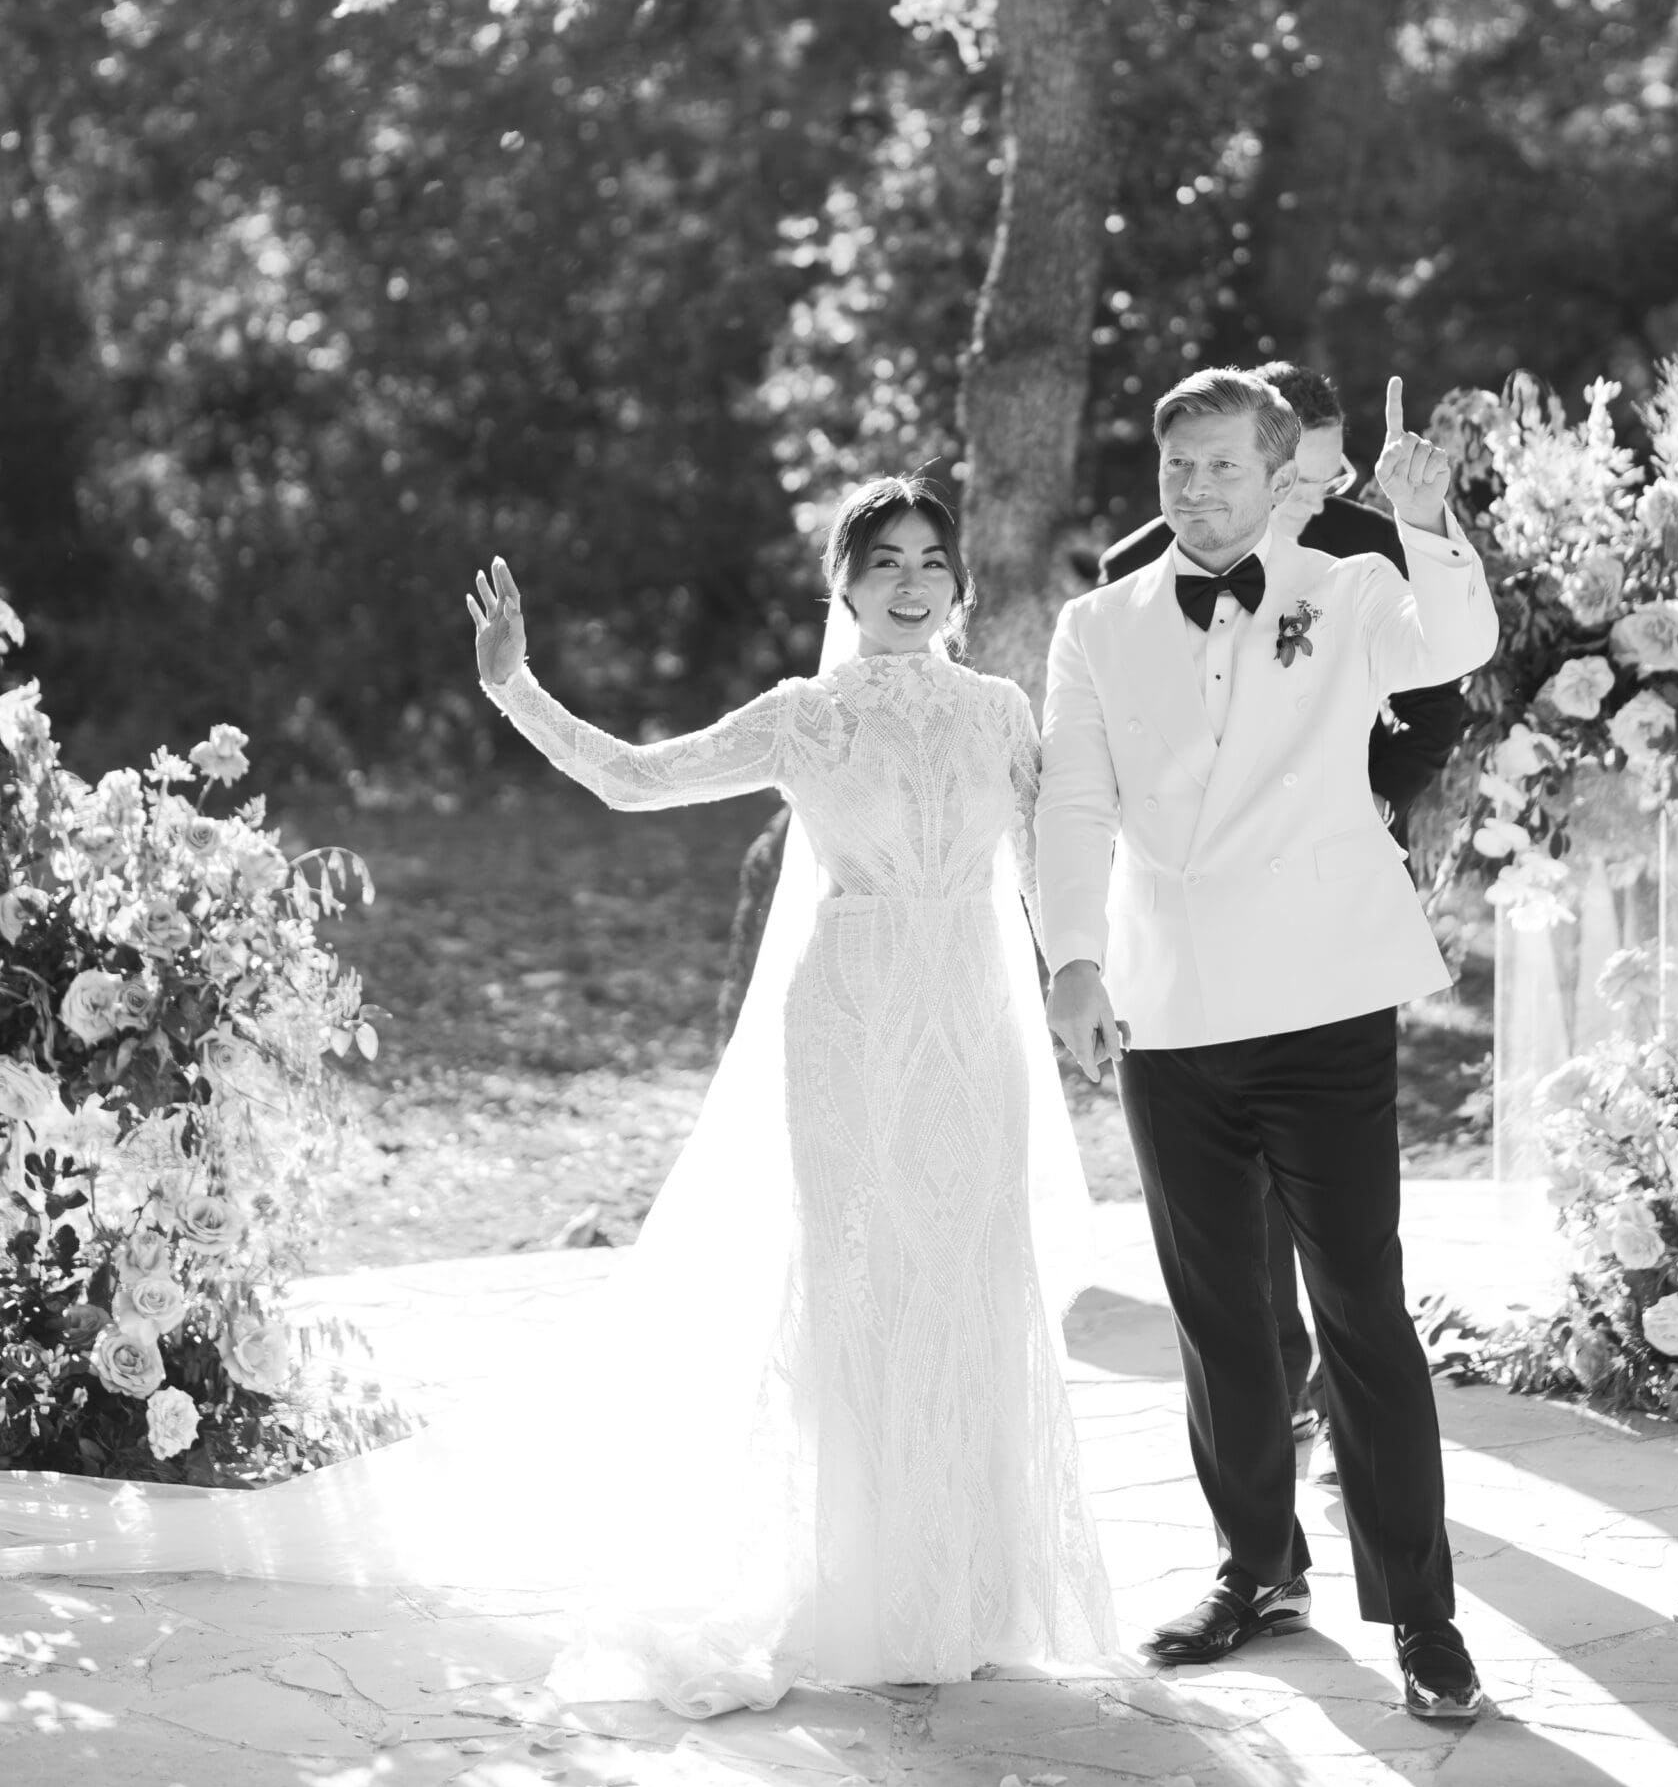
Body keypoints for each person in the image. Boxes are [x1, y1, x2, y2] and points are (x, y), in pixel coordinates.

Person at [8, 476, 1114, 1720]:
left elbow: (1058, 860)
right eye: (885, 561)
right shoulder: (806, 717)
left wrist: (1086, 973)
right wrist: (515, 687)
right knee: (861, 1287)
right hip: (851, 1019)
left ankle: (972, 1591)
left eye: (931, 560)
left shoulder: (1002, 710)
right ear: (844, 588)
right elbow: (636, 779)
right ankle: (869, 1589)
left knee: (970, 1277)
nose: (911, 582)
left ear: (959, 583)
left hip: (968, 1022)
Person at [1037, 367, 1498, 1720]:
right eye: (1176, 467)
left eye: (1223, 466)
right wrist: (1073, 957)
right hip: (1170, 1009)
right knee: (1221, 1314)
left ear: (1278, 473)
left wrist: (1428, 522)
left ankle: (1423, 1616)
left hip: (1323, 999)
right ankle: (1257, 1568)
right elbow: (1074, 800)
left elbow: (1455, 642)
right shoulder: (1096, 623)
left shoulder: (1349, 589)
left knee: (1360, 1306)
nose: (1194, 490)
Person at [1097, 367, 1470, 1448]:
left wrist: (1361, 799)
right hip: (1194, 947)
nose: (1310, 495)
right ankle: (1276, 1416)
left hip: (1324, 914)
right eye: (1296, 475)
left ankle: (1362, 1439)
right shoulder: (1132, 575)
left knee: (1346, 1235)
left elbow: (1439, 696)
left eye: (1326, 477)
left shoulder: (1371, 554)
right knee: (1231, 1239)